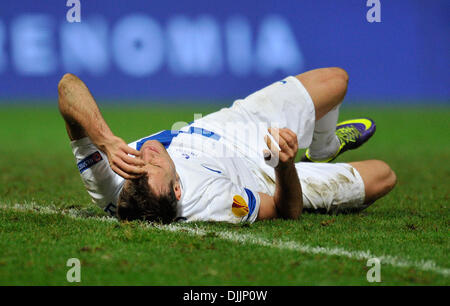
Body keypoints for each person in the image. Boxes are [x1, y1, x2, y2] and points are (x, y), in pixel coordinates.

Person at [57, 68, 396, 224]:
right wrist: (284, 164)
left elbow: (67, 87)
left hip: (232, 124)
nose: (145, 155)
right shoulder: (213, 204)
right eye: (153, 165)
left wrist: (105, 139)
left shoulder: (111, 186)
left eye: (136, 168)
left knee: (337, 80)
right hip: (262, 170)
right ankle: (306, 160)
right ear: (177, 190)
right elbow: (284, 211)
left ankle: (323, 148)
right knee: (383, 176)